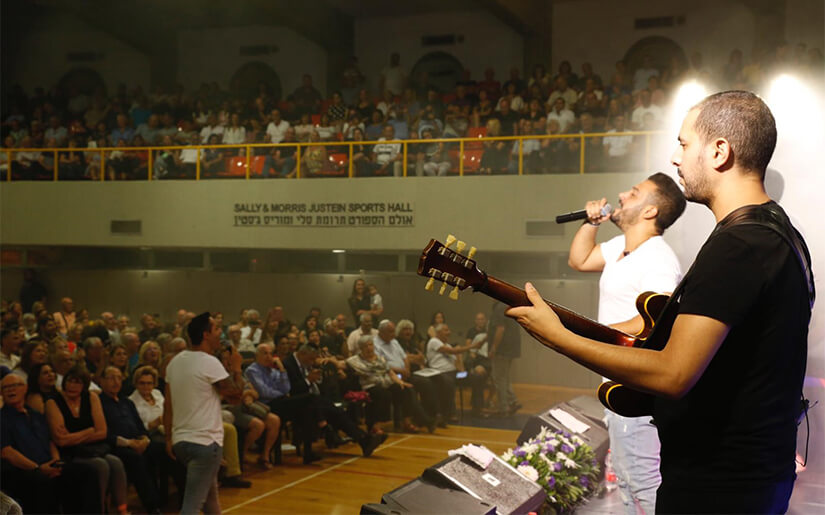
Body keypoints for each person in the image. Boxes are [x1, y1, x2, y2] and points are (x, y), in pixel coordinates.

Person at [508, 91, 812, 513]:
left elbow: (673, 373)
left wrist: (558, 337)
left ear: (720, 151)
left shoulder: (740, 244)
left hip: (719, 486)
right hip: (749, 477)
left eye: (685, 144)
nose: (675, 157)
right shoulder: (777, 231)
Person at [566, 173, 686, 514]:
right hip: (617, 382)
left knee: (643, 484)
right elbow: (580, 260)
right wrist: (592, 223)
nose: (620, 195)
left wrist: (592, 334)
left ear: (650, 211)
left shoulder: (658, 258)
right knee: (628, 484)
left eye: (633, 193)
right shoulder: (621, 248)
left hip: (636, 389)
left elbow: (656, 320)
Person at [164, 312, 246, 514]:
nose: (221, 333)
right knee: (191, 506)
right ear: (206, 335)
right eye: (217, 329)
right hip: (205, 443)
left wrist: (168, 437)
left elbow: (168, 405)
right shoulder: (209, 362)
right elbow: (235, 396)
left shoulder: (175, 362)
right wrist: (237, 368)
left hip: (181, 442)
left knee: (210, 501)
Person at [0, 373, 99, 514]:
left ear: (26, 388)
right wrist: (37, 468)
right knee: (42, 482)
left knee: (87, 472)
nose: (11, 390)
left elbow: (50, 441)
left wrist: (56, 462)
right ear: (1, 392)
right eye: (6, 387)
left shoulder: (35, 414)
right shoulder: (2, 418)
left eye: (15, 385)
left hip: (48, 464)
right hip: (23, 470)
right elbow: (7, 452)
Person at [45, 365, 129, 514]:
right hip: (69, 453)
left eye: (78, 382)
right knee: (101, 465)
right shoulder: (53, 402)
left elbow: (102, 432)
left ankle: (122, 510)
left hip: (93, 449)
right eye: (69, 381)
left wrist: (73, 435)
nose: (72, 386)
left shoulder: (91, 397)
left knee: (116, 463)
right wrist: (90, 431)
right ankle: (99, 510)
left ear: (84, 385)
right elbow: (61, 441)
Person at [99, 366, 162, 514]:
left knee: (160, 449)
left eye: (119, 378)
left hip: (137, 442)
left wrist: (144, 439)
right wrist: (130, 443)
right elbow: (105, 434)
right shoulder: (98, 403)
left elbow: (141, 428)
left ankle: (167, 497)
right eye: (111, 378)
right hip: (117, 446)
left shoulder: (126, 402)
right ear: (101, 381)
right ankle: (152, 507)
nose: (116, 382)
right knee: (136, 459)